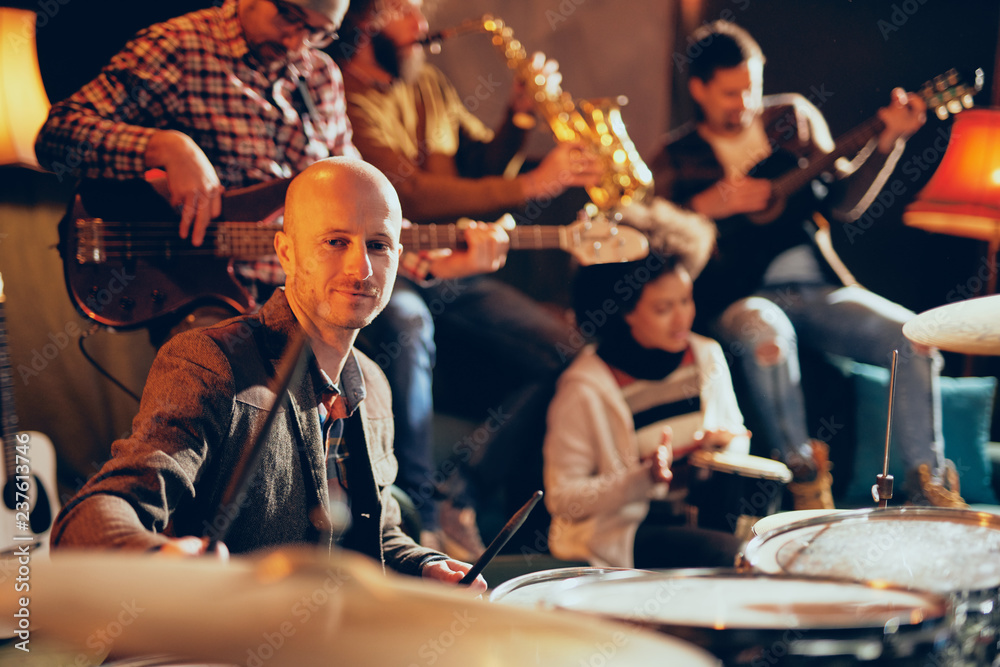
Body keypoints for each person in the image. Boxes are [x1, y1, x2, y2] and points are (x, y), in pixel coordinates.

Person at [50, 158, 487, 591]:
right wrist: (152, 557)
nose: (361, 269)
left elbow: (380, 537)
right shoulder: (209, 360)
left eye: (379, 245)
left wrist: (428, 565)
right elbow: (95, 514)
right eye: (336, 241)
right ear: (286, 252)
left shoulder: (372, 384)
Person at [326, 0, 603, 558]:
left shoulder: (427, 83)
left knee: (570, 351)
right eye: (406, 11)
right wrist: (528, 189)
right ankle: (418, 519)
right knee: (408, 321)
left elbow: (477, 163)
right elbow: (412, 194)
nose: (423, 27)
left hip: (456, 267)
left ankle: (462, 486)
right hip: (390, 267)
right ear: (365, 19)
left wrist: (520, 117)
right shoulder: (344, 97)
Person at [648, 20, 964, 508]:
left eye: (751, 87)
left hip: (819, 287)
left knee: (914, 335)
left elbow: (844, 204)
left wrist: (891, 142)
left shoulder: (791, 117)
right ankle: (803, 481)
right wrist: (702, 210)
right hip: (739, 296)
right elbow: (654, 237)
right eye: (731, 93)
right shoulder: (675, 155)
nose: (745, 102)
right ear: (699, 89)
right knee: (766, 334)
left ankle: (929, 485)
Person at [34, 0, 359, 319]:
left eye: (318, 32)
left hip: (305, 293)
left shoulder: (321, 75)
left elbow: (355, 189)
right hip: (204, 296)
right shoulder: (179, 47)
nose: (296, 42)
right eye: (288, 16)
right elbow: (58, 134)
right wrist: (165, 146)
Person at [543, 199, 747, 569]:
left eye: (686, 300)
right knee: (734, 558)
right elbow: (562, 498)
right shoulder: (585, 386)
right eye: (663, 308)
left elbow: (738, 442)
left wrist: (723, 450)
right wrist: (643, 478)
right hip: (627, 538)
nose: (681, 318)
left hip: (704, 521)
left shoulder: (706, 355)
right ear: (623, 311)